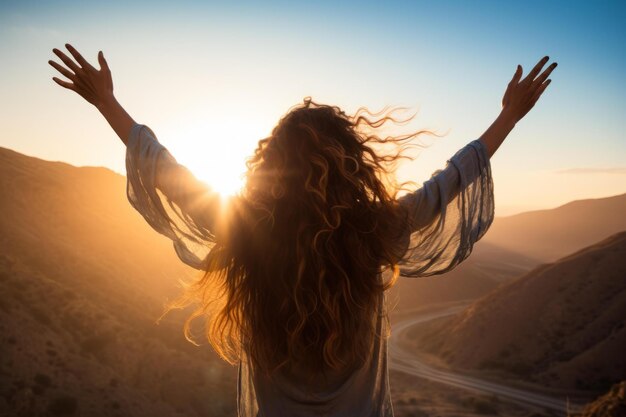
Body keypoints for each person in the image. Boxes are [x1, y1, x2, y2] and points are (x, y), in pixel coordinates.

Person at [49, 44, 557, 417]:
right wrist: (508, 116)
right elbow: (450, 181)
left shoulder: (246, 232)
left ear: (272, 165)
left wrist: (107, 103)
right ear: (352, 165)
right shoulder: (375, 230)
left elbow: (164, 171)